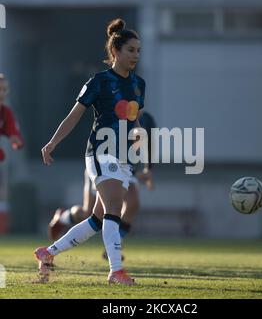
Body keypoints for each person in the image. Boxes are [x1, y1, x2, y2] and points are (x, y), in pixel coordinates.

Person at [35, 18, 148, 285]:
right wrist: (52, 143)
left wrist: (139, 137)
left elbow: (135, 121)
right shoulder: (99, 81)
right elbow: (74, 116)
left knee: (97, 219)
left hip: (123, 156)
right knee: (114, 210)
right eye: (131, 50)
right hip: (100, 152)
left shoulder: (139, 85)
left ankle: (47, 253)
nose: (135, 55)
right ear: (116, 52)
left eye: (138, 51)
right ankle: (116, 271)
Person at [48, 111, 156, 264]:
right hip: (104, 166)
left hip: (126, 168)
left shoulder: (146, 120)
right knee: (88, 214)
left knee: (132, 204)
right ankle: (62, 217)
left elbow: (148, 145)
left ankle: (113, 248)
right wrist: (141, 173)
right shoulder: (114, 112)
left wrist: (149, 170)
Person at [0, 73, 24, 161]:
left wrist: (16, 141)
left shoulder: (6, 113)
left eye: (4, 90)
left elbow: (14, 132)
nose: (2, 93)